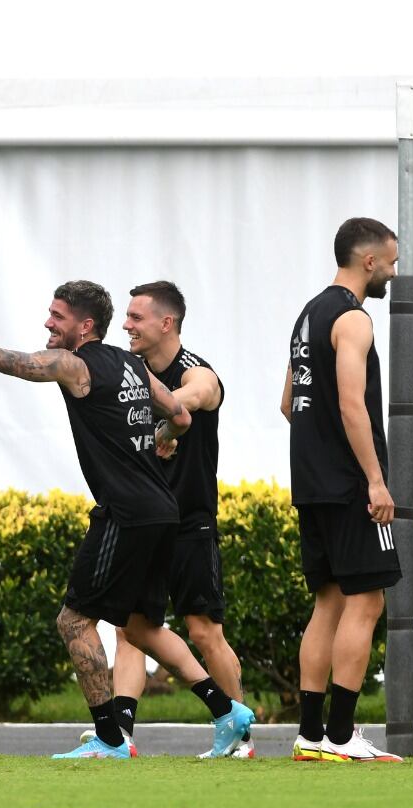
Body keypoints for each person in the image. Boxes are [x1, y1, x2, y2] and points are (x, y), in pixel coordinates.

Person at [0, 279, 255, 759]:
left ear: (85, 326)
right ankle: (227, 710)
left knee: (74, 621)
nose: (48, 323)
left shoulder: (76, 365)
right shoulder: (131, 364)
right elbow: (179, 413)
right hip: (162, 511)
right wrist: (164, 435)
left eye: (58, 316)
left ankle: (111, 739)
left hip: (127, 514)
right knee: (140, 628)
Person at [98, 281, 253, 758]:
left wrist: (166, 417)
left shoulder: (197, 370)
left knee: (204, 630)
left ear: (167, 323)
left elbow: (198, 394)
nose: (125, 325)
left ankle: (238, 734)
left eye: (135, 318)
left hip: (190, 522)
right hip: (144, 523)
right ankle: (119, 734)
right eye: (125, 317)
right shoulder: (131, 372)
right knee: (130, 627)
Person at [282, 217, 403, 763]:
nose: (394, 274)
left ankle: (310, 734)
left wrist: (322, 450)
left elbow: (289, 404)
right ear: (369, 261)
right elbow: (353, 405)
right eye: (392, 263)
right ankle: (340, 735)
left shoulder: (308, 314)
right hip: (351, 484)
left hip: (310, 483)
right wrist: (374, 479)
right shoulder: (353, 319)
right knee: (368, 599)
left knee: (327, 602)